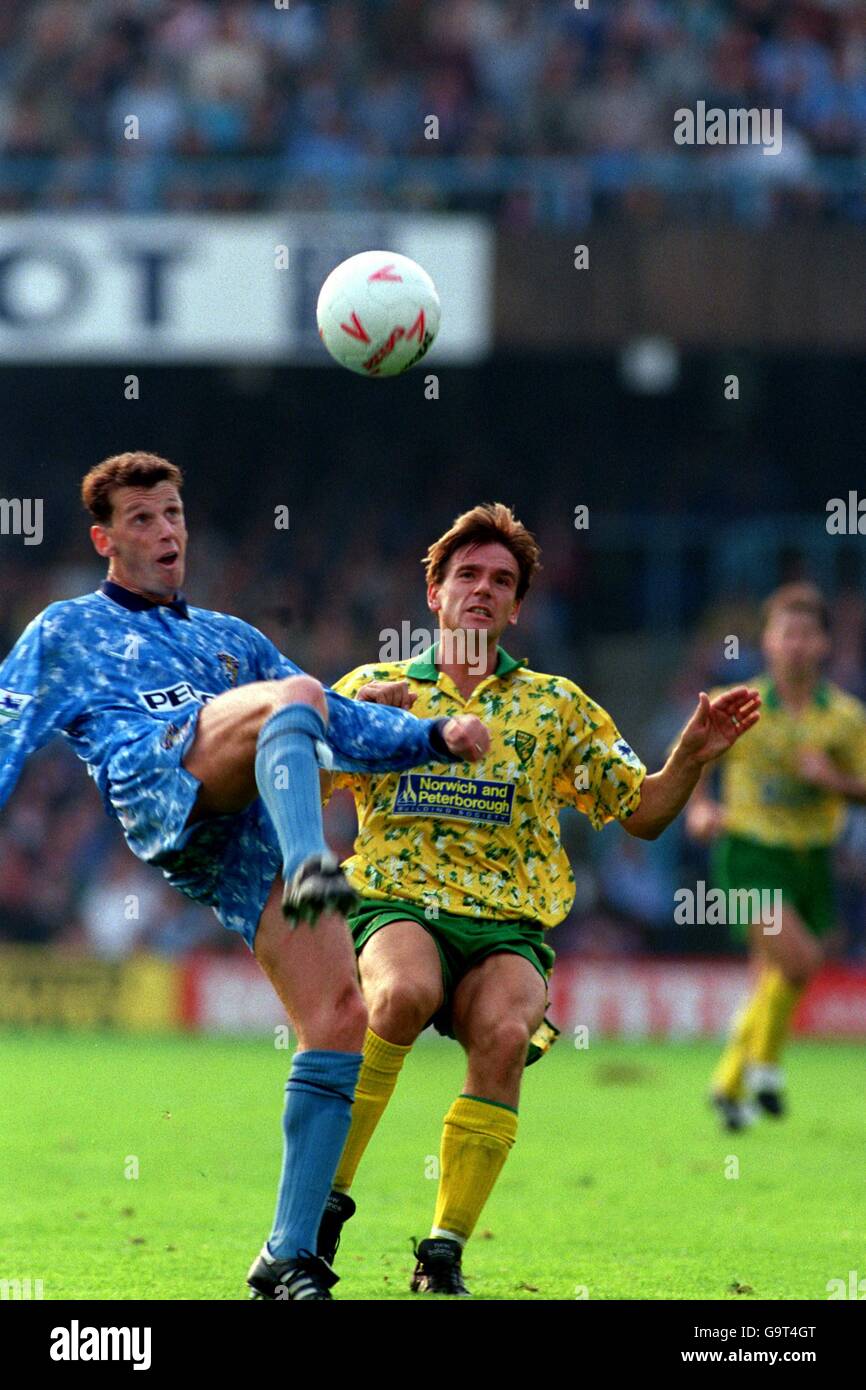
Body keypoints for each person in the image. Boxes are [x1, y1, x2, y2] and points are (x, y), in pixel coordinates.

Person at [0, 451, 490, 1301]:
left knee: (341, 1017)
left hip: (240, 836)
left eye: (175, 515)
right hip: (160, 783)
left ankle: (287, 1257)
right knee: (293, 693)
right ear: (104, 538)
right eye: (144, 519)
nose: (166, 532)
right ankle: (313, 862)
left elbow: (326, 722)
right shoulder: (66, 630)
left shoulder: (229, 639)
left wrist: (433, 735)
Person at [316, 502, 760, 1294]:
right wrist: (344, 730)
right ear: (434, 591)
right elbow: (300, 782)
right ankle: (326, 1202)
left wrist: (691, 755)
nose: (482, 590)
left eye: (501, 580)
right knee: (406, 991)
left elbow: (646, 812)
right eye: (467, 576)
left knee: (506, 1033)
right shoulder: (373, 689)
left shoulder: (559, 706)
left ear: (518, 606)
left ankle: (443, 1250)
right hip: (397, 904)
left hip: (509, 927)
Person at [687, 583, 866, 1132]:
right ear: (766, 641)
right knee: (800, 961)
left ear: (823, 646)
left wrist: (832, 779)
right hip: (749, 851)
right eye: (786, 632)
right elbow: (692, 761)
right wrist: (698, 811)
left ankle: (728, 1082)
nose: (795, 644)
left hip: (812, 858)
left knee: (774, 975)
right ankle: (765, 1068)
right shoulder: (737, 704)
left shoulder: (844, 718)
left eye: (806, 634)